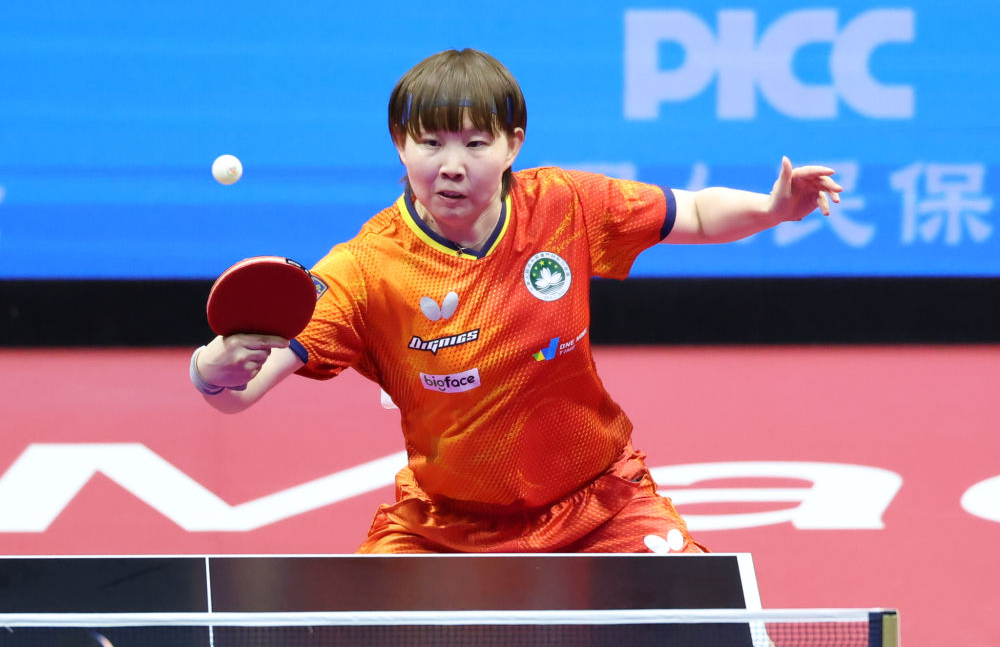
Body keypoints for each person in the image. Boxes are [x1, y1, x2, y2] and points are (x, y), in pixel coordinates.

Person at [190, 48, 842, 554]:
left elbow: (693, 212)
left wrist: (772, 209)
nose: (452, 165)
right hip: (444, 529)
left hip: (600, 505)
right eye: (430, 142)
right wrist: (212, 369)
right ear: (399, 143)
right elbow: (242, 389)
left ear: (513, 145)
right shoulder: (365, 269)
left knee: (698, 623)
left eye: (475, 143)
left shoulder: (563, 204)